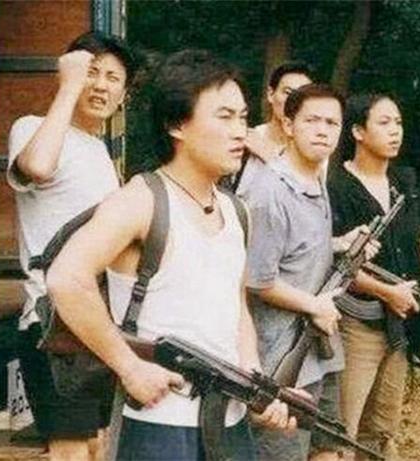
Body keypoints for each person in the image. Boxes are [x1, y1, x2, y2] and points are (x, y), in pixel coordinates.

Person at [46, 49, 295, 461]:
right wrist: (129, 367)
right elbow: (66, 279)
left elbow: (235, 306)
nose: (240, 132)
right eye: (224, 117)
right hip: (157, 425)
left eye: (243, 117)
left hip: (229, 425)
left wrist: (255, 379)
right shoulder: (142, 200)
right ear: (177, 124)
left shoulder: (237, 211)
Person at [7, 32, 137, 461]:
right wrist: (67, 87)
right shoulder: (32, 129)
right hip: (53, 327)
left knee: (99, 444)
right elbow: (37, 166)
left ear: (124, 93)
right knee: (70, 452)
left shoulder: (99, 151)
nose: (100, 86)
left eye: (113, 78)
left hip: (96, 323)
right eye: (91, 73)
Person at [327, 93, 420, 461]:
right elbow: (337, 263)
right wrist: (386, 292)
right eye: (384, 122)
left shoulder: (404, 180)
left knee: (382, 428)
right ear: (358, 131)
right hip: (358, 323)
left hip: (400, 323)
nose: (395, 131)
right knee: (343, 428)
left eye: (398, 122)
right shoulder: (336, 185)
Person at [238, 83, 348, 461]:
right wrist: (313, 305)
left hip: (320, 350)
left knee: (328, 447)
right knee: (281, 453)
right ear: (288, 125)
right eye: (312, 121)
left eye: (332, 123)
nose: (322, 131)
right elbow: (256, 280)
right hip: (279, 355)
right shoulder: (270, 192)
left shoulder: (316, 178)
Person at [234, 61, 313, 192]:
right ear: (271, 94)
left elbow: (310, 196)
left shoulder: (312, 148)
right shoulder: (246, 139)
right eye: (287, 92)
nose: (294, 101)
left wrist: (271, 157)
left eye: (302, 96)